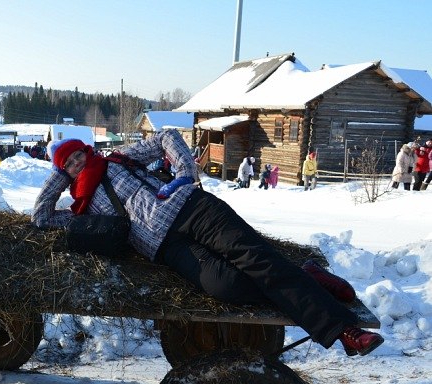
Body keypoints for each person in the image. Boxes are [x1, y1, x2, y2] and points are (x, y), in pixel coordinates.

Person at [31, 130, 384, 357]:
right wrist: (60, 175)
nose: (77, 163)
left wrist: (186, 172)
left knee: (256, 260)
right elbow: (42, 216)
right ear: (63, 173)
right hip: (166, 248)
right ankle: (307, 276)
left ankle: (343, 330)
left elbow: (166, 136)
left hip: (193, 209)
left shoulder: (117, 159)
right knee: (226, 285)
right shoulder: (80, 209)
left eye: (78, 155)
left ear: (87, 150)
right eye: (69, 164)